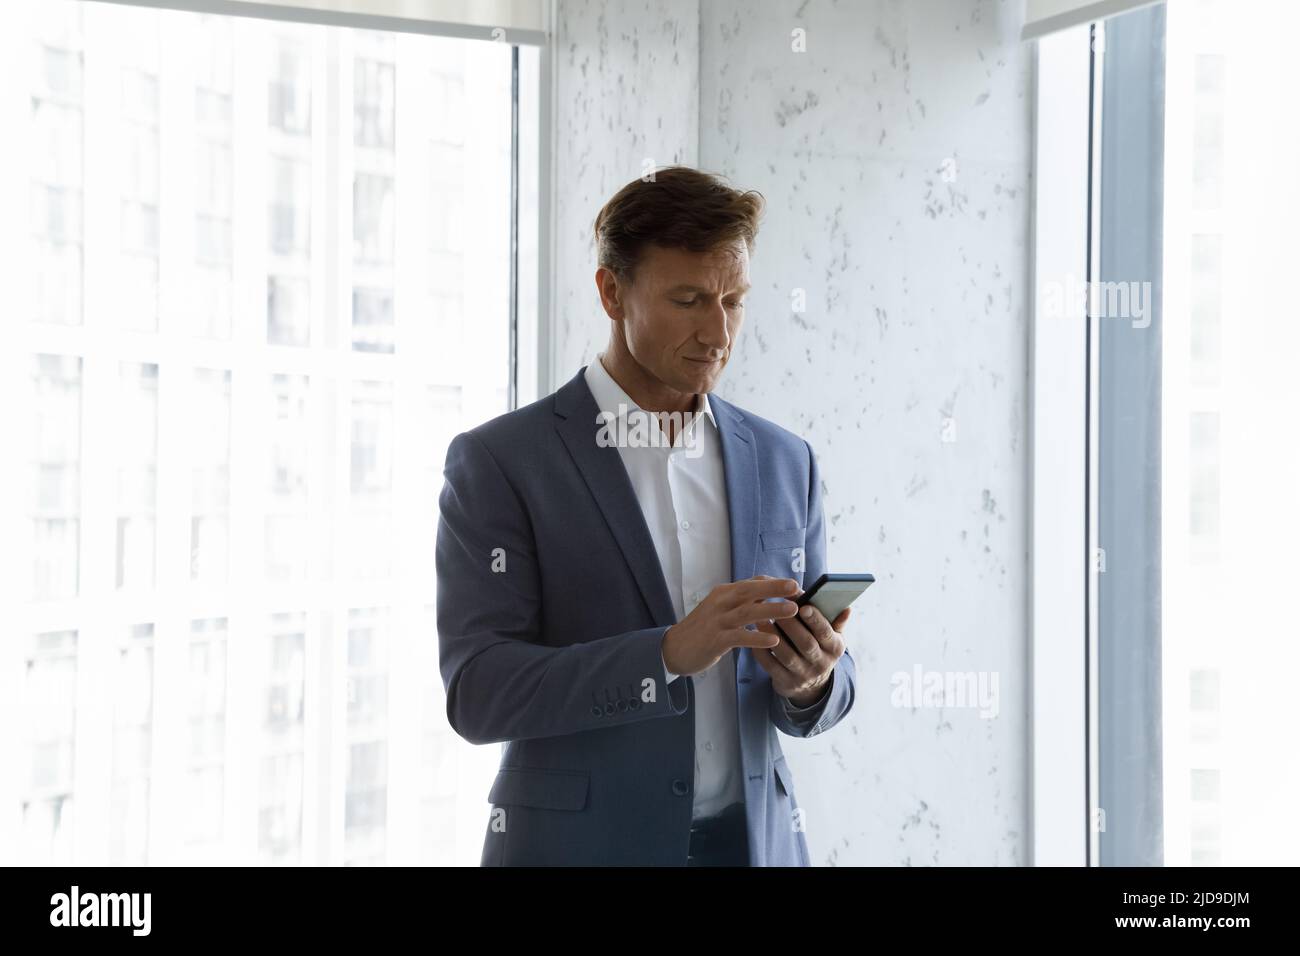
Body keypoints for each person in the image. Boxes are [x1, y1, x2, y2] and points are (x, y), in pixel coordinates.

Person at [436, 165, 856, 866]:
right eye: (689, 299)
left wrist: (813, 681)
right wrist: (664, 654)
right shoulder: (502, 462)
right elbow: (478, 692)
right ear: (611, 292)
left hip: (757, 848)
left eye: (733, 299)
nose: (718, 331)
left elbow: (821, 697)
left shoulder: (788, 461)